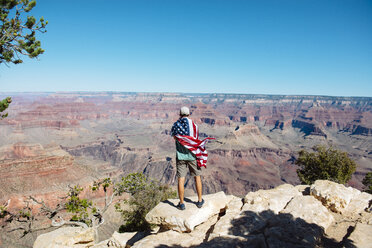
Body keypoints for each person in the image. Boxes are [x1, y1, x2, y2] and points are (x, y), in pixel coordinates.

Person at [171, 106, 204, 210]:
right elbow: (195, 140)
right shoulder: (194, 126)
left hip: (180, 156)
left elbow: (175, 137)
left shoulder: (176, 125)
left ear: (180, 114)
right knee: (197, 177)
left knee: (181, 179)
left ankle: (181, 203)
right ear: (189, 114)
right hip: (192, 156)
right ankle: (199, 201)